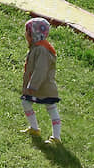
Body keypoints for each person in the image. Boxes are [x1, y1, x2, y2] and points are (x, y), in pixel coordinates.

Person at [19, 17, 62, 146]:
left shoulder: (41, 50)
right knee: (26, 102)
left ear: (34, 34)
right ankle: (35, 128)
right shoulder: (37, 47)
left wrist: (33, 86)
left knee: (51, 107)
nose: (25, 34)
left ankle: (56, 137)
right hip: (38, 86)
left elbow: (40, 70)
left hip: (44, 87)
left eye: (27, 31)